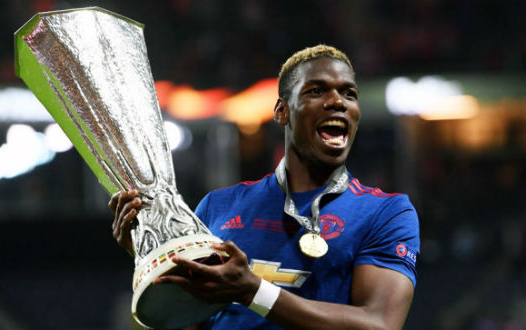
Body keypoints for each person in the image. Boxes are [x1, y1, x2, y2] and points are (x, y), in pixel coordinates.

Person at [109, 44, 420, 329]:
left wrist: (254, 291)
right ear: (281, 111)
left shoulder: (386, 213)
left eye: (349, 94)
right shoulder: (218, 206)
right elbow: (189, 321)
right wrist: (151, 257)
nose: (337, 102)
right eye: (316, 91)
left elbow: (380, 323)